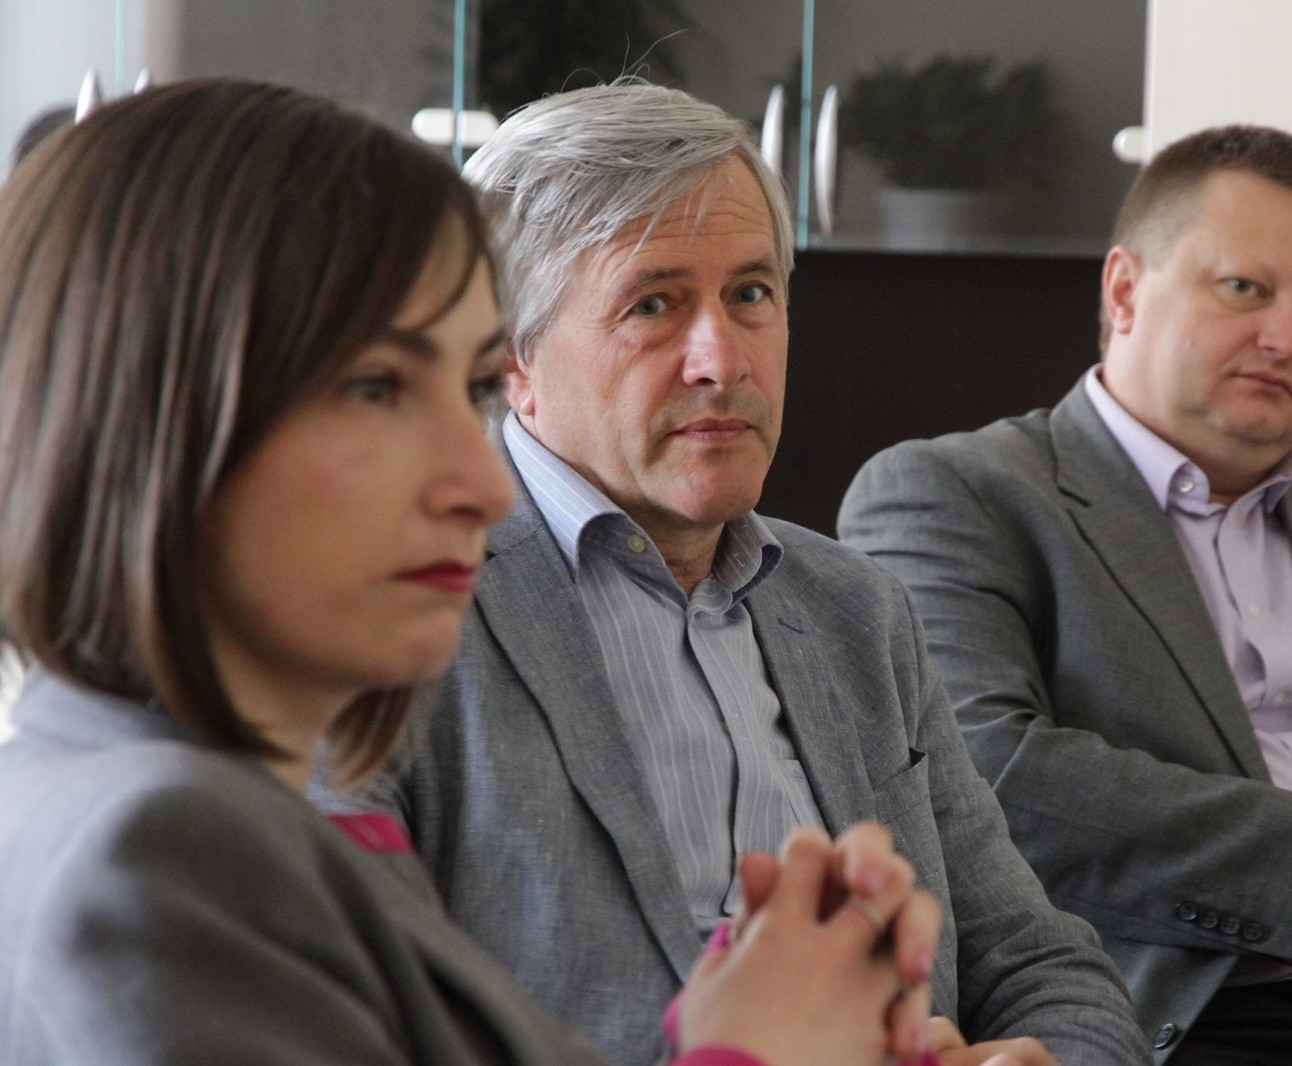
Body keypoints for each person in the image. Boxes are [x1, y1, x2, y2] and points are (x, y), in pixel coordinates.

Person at [0, 77, 948, 1066]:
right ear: (153, 418)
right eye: (378, 388)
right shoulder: (160, 854)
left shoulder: (232, 823)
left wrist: (742, 1024)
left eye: (468, 386)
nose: (483, 486)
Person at [317, 82, 1151, 1066]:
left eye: (751, 295)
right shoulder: (397, 612)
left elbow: (1041, 958)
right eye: (653, 305)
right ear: (512, 360)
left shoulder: (855, 609)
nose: (722, 359)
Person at [837, 124, 1292, 1065]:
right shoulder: (955, 495)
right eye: (1245, 289)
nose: (1286, 338)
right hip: (1183, 1023)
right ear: (1124, 290)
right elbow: (986, 781)